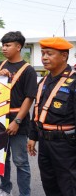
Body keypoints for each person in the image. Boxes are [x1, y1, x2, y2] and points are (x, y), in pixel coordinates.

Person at [27, 37, 76, 196]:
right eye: (42, 53)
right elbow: (38, 111)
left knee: (69, 186)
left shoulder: (74, 81)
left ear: (64, 56)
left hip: (66, 145)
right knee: (49, 184)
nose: (44, 58)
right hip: (44, 144)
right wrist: (33, 136)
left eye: (49, 53)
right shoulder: (44, 82)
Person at [0, 31, 37, 196]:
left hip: (17, 121)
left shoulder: (28, 70)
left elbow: (29, 98)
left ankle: (25, 193)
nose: (4, 48)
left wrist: (17, 121)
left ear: (18, 47)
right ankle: (5, 189)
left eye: (8, 45)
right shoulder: (0, 65)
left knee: (20, 161)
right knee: (2, 158)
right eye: (3, 45)